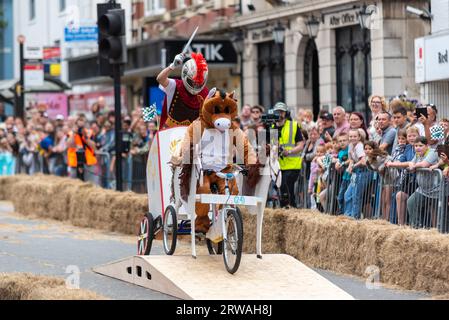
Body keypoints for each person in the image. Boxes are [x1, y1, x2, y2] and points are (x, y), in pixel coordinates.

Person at [157, 52, 209, 129]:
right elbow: (160, 79)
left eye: (198, 84)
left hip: (192, 135)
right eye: (193, 82)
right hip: (170, 134)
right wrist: (173, 65)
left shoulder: (205, 93)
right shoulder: (175, 85)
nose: (195, 86)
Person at [273, 102, 305, 208]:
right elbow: (265, 146)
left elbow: (301, 145)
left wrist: (289, 151)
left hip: (292, 165)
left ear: (286, 113)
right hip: (278, 166)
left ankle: (293, 209)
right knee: (282, 191)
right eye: (277, 112)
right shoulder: (271, 127)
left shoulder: (293, 125)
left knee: (287, 188)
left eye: (281, 112)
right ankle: (284, 210)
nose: (279, 114)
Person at [406, 136, 440, 228]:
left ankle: (438, 232)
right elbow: (412, 167)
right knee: (411, 202)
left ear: (427, 146)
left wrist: (413, 165)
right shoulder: (417, 154)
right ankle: (416, 227)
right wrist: (412, 165)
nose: (417, 148)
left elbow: (424, 164)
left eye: (420, 145)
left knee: (436, 213)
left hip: (436, 190)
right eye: (415, 146)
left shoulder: (433, 152)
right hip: (423, 190)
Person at [344, 128, 370, 219]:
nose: (352, 138)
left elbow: (363, 161)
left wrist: (353, 166)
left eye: (355, 136)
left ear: (359, 137)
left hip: (362, 172)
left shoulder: (359, 146)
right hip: (355, 173)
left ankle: (355, 217)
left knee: (356, 196)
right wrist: (350, 166)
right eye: (350, 136)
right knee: (347, 195)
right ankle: (347, 215)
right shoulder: (351, 145)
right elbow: (351, 159)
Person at [67, 115, 98, 182]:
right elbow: (69, 144)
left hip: (88, 162)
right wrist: (74, 133)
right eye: (78, 125)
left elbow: (94, 146)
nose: (80, 128)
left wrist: (85, 137)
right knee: (74, 185)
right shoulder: (71, 133)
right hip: (75, 163)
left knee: (89, 184)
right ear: (75, 124)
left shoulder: (89, 132)